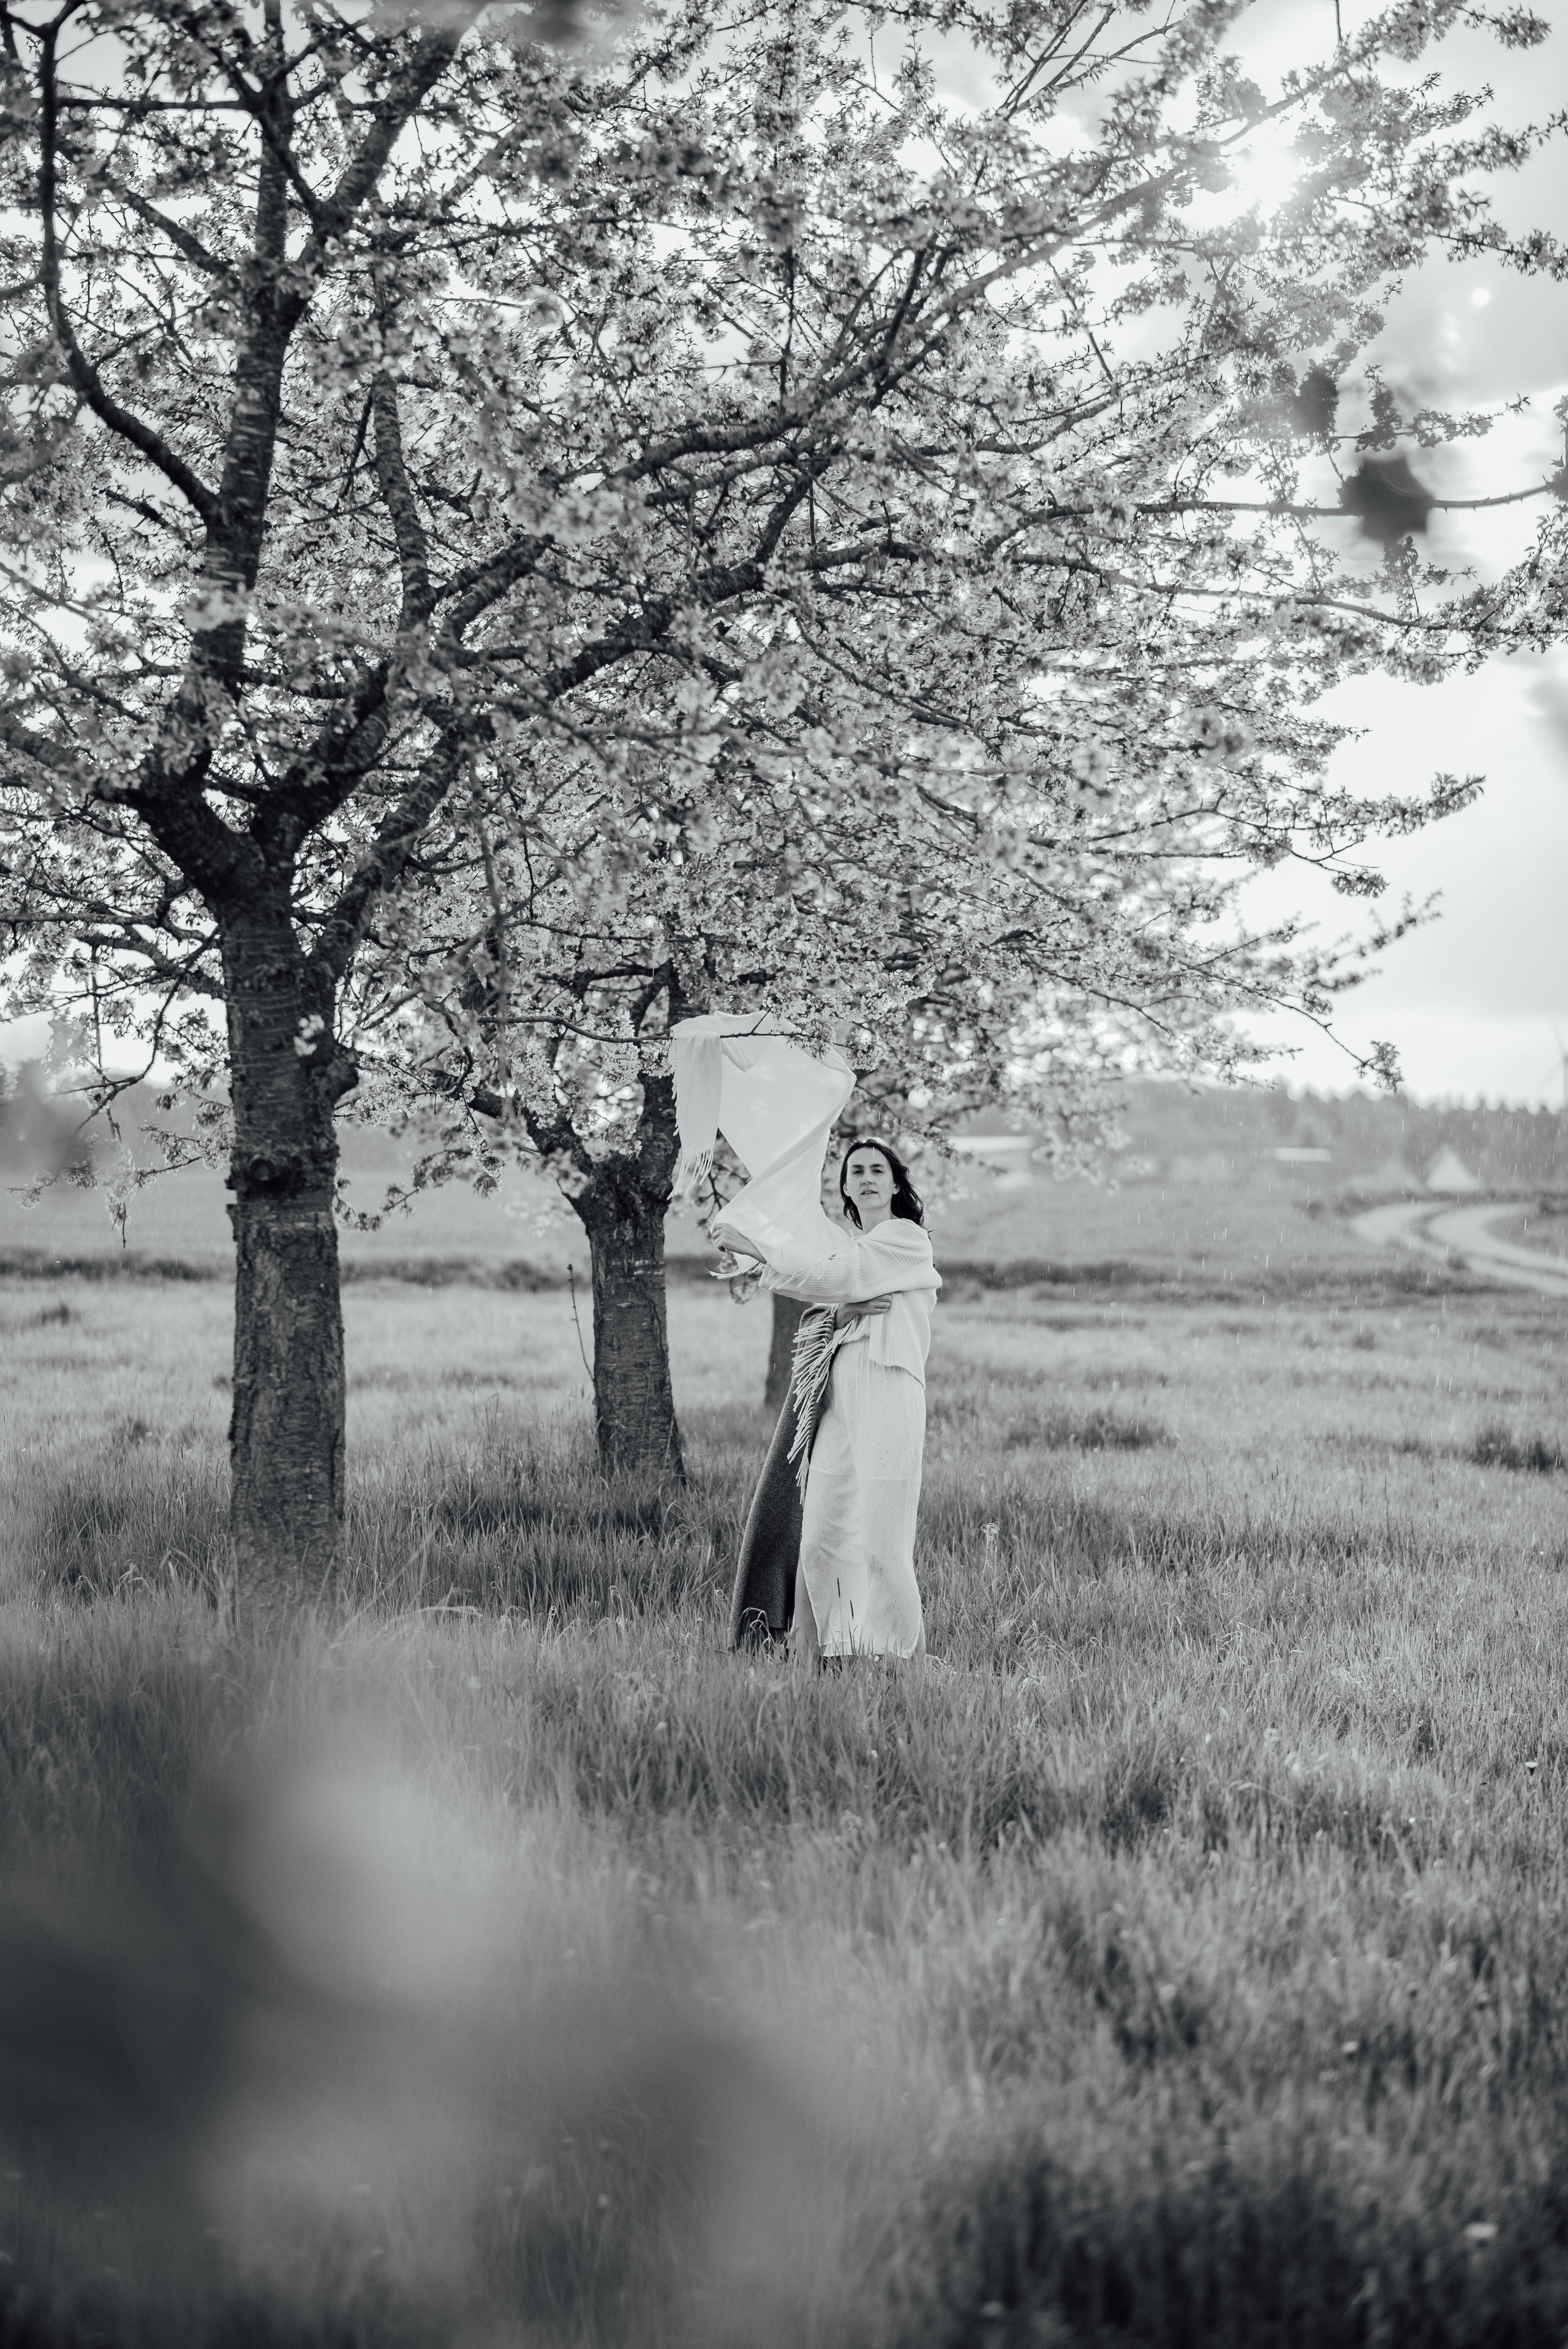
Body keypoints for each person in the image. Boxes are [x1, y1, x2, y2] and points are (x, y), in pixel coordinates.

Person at [717, 1138, 939, 1664]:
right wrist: (839, 1315)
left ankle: (901, 1660)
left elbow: (831, 1276)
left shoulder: (905, 1239)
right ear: (844, 1186)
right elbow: (831, 1294)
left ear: (895, 1183)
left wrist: (755, 1250)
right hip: (840, 1393)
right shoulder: (852, 1245)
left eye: (877, 1170)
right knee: (821, 1537)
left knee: (884, 1544)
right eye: (855, 1171)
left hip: (888, 1385)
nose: (866, 1178)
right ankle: (835, 1651)